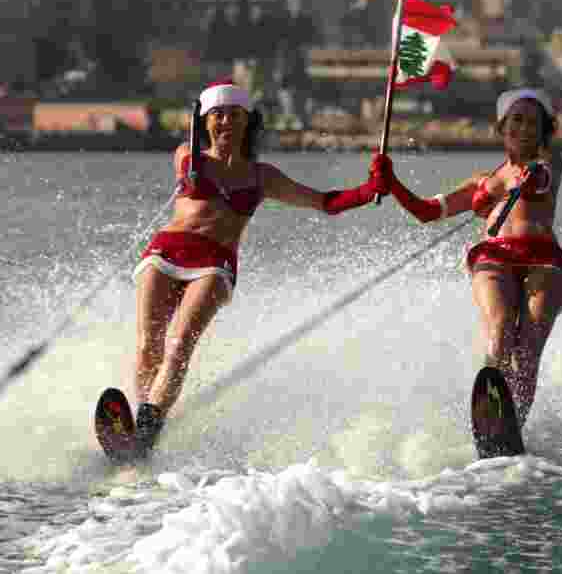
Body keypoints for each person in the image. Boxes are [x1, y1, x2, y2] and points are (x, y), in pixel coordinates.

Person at [128, 80, 390, 460]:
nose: (225, 123)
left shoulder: (261, 176)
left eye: (234, 115)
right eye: (217, 115)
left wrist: (369, 189)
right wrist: (191, 173)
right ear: (204, 121)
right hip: (165, 253)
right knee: (148, 343)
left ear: (248, 122)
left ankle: (148, 430)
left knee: (180, 344)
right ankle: (138, 422)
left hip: (213, 264)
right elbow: (184, 163)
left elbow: (324, 202)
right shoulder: (189, 156)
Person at [378, 88, 562, 433]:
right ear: (502, 126)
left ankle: (513, 428)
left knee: (527, 348)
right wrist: (390, 182)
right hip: (495, 257)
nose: (525, 128)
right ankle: (490, 410)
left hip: (545, 262)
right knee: (499, 328)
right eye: (517, 119)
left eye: (534, 122)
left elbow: (541, 181)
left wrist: (528, 179)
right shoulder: (481, 181)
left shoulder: (548, 164)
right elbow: (426, 212)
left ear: (544, 129)